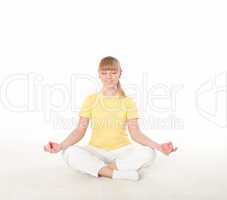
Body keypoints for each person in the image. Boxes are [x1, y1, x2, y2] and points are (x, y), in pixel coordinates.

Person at [44, 56, 177, 181]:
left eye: (113, 72)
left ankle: (101, 169)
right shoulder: (91, 100)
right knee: (68, 152)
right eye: (104, 73)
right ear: (99, 75)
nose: (108, 77)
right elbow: (80, 130)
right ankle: (115, 174)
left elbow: (136, 133)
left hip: (123, 151)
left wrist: (159, 147)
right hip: (95, 150)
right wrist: (60, 146)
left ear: (120, 73)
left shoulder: (127, 101)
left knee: (149, 153)